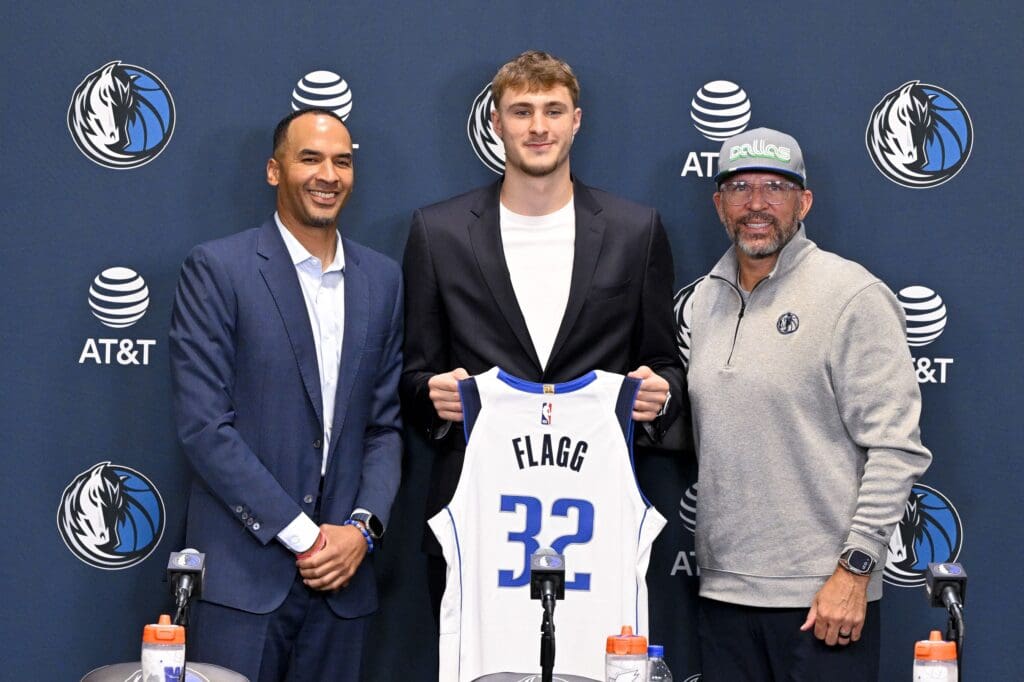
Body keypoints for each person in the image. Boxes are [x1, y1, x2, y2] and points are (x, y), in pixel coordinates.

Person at [401, 50, 684, 614]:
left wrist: (662, 394)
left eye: (553, 110)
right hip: (477, 511)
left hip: (598, 507)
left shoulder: (636, 230)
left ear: (576, 121)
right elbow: (413, 375)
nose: (537, 127)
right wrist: (430, 396)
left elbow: (665, 364)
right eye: (521, 111)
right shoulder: (439, 232)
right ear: (495, 122)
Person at [677, 127, 931, 680]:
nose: (757, 205)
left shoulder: (852, 295)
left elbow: (896, 448)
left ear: (804, 202)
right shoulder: (703, 300)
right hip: (723, 594)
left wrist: (855, 570)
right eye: (740, 188)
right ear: (719, 203)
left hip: (824, 600)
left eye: (776, 187)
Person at [169, 108, 403, 682]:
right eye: (311, 158)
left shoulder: (383, 280)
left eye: (342, 161)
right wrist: (304, 535)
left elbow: (384, 426)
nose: (329, 174)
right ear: (275, 171)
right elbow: (205, 427)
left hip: (344, 589)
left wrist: (360, 532)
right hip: (243, 584)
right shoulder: (218, 269)